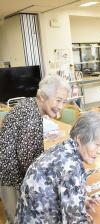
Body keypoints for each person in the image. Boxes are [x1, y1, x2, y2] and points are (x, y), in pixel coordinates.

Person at [15, 112, 100, 223]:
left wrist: (79, 199)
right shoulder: (71, 167)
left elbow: (56, 186)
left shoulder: (64, 147)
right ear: (79, 139)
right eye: (97, 144)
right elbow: (74, 221)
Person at [0, 75, 70, 224]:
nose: (61, 106)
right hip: (10, 176)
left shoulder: (30, 105)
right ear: (43, 96)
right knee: (18, 218)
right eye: (58, 100)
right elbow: (29, 164)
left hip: (11, 172)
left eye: (64, 102)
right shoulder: (31, 116)